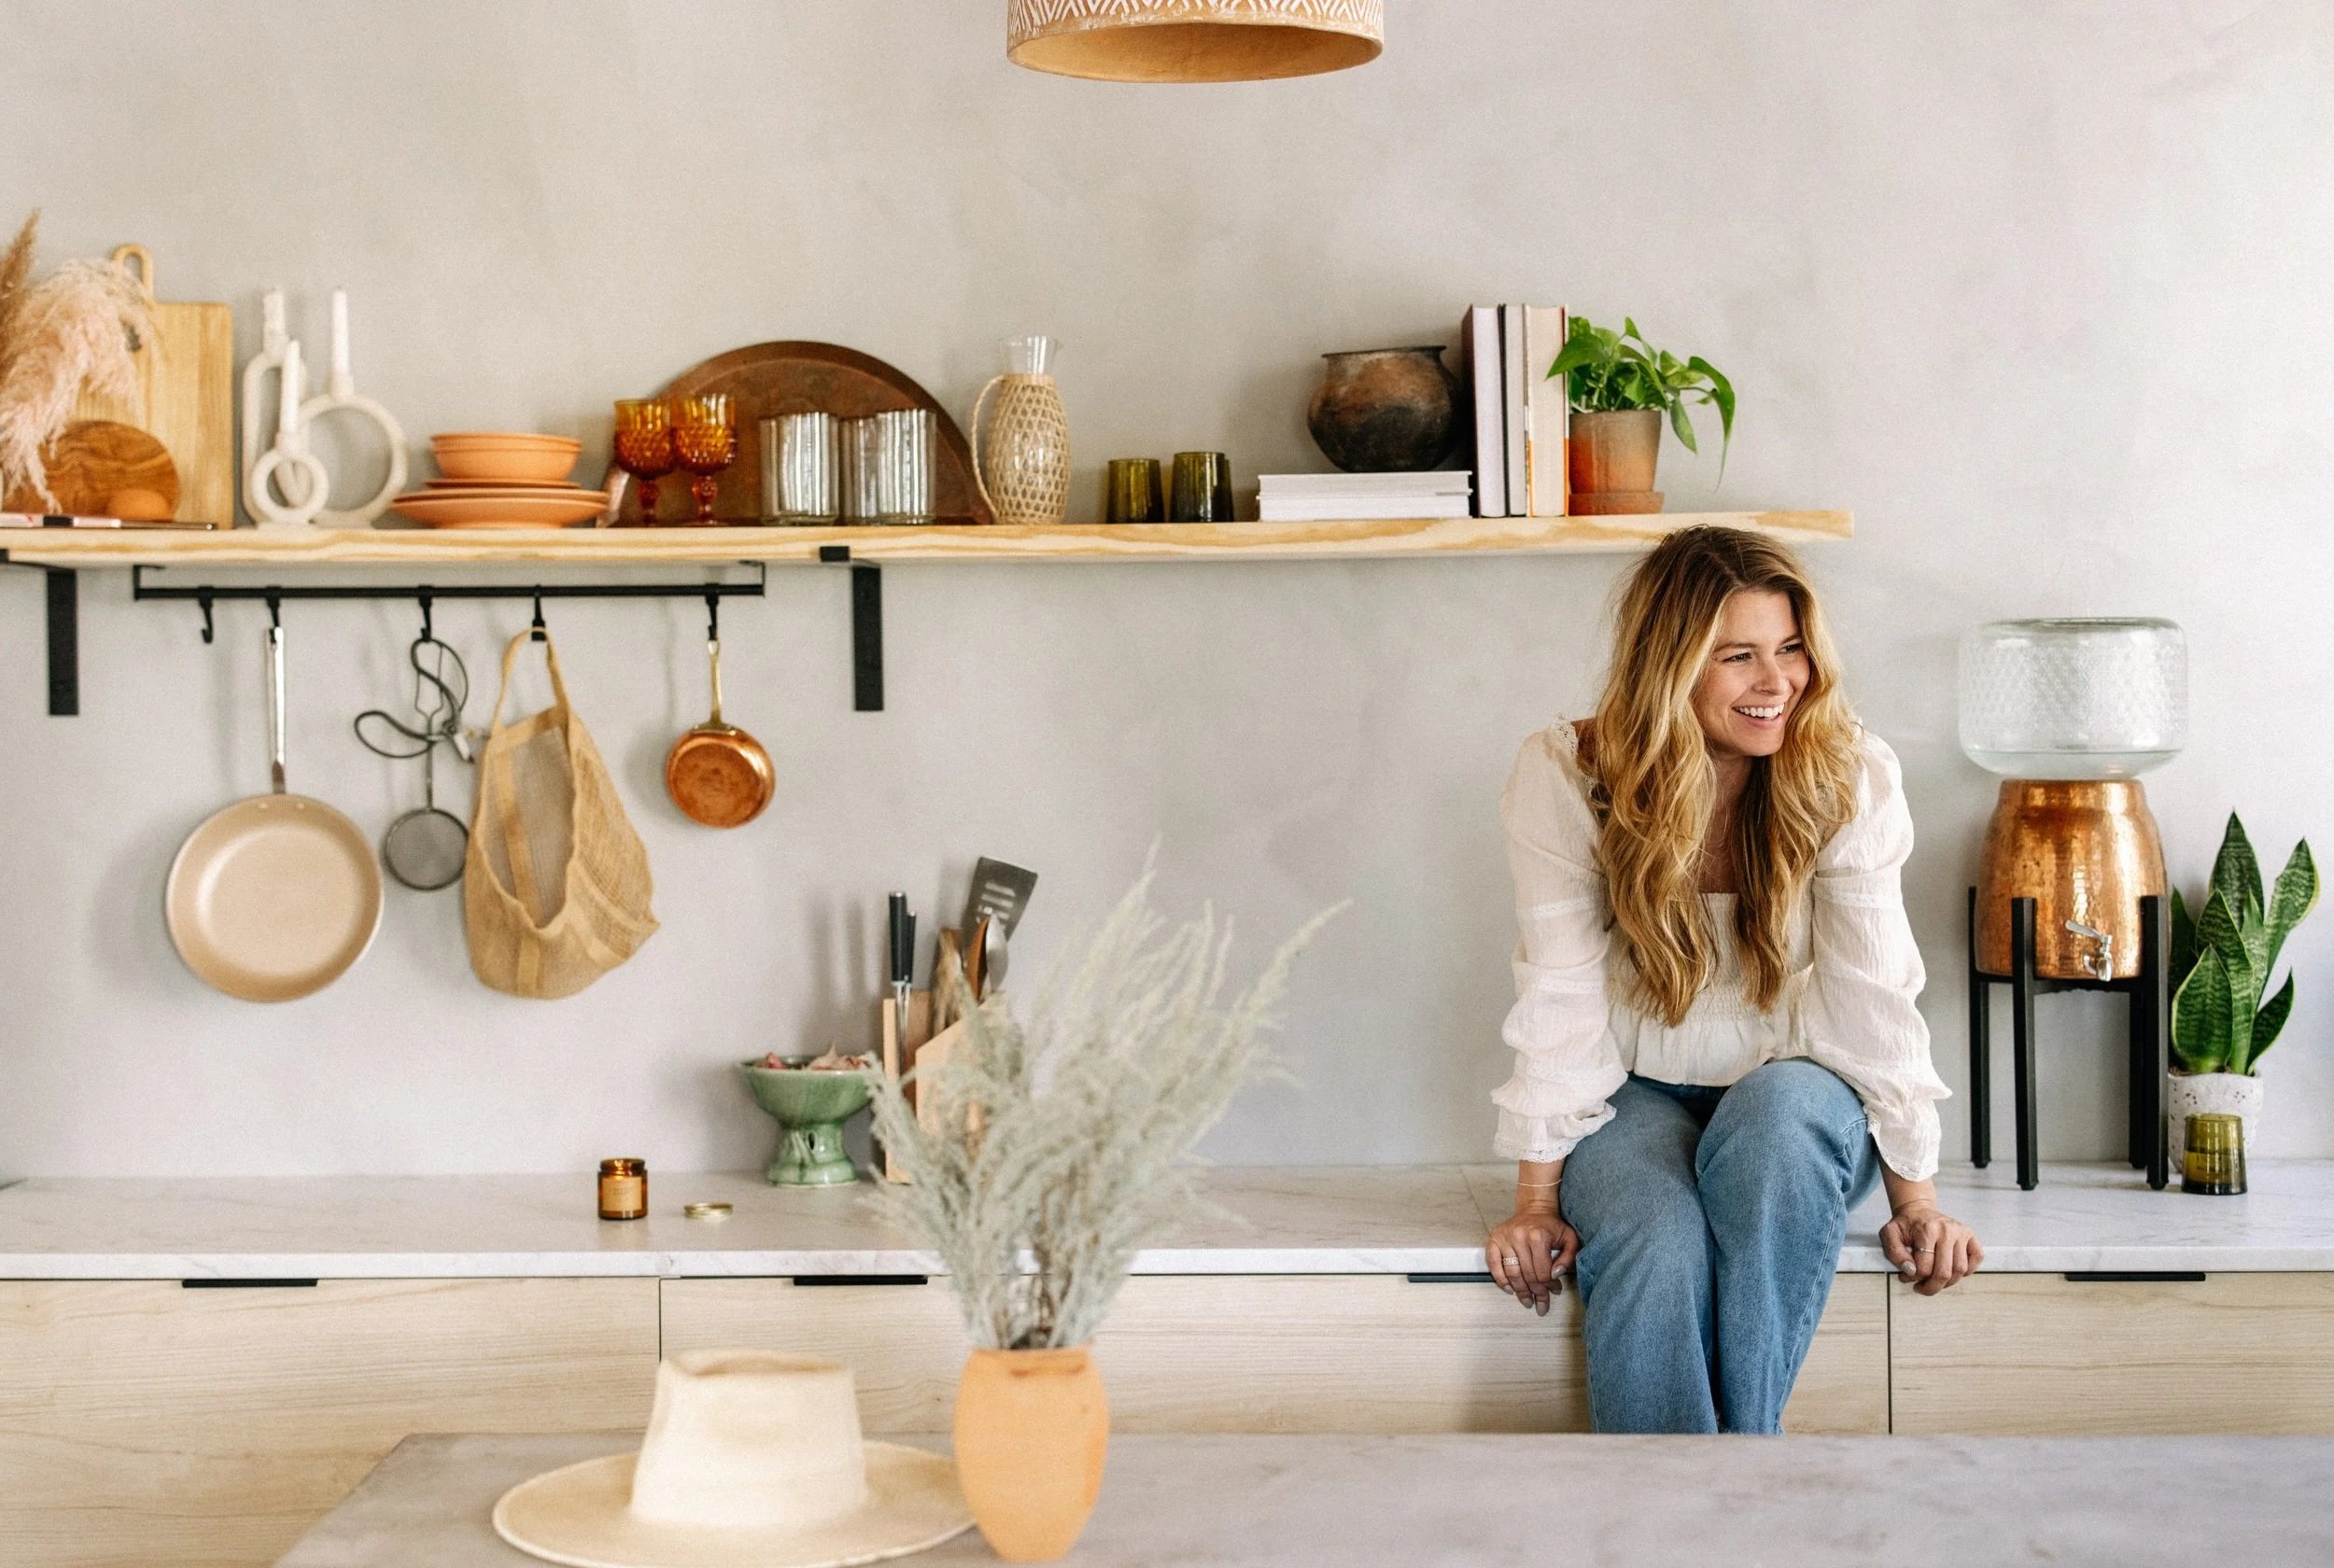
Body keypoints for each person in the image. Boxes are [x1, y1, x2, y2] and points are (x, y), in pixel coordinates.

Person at [1484, 525, 1981, 1435]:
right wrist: (1533, 1203)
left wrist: (1917, 1200)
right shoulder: (1566, 774)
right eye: (1738, 657)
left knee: (1772, 1129)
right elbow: (1559, 992)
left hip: (1796, 1088)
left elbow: (1873, 994)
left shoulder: (1846, 772)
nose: (1777, 682)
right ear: (1667, 667)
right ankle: (1675, 1521)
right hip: (1630, 1090)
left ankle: (1735, 1484)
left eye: (1791, 649)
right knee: (1656, 1240)